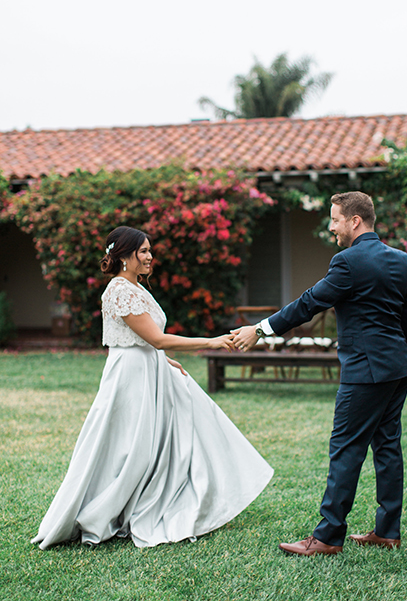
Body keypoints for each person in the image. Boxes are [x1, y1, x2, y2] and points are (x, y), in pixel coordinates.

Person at [32, 226, 273, 550]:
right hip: (130, 377)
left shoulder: (137, 288)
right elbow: (155, 338)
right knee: (127, 448)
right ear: (123, 255)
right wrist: (211, 340)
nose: (149, 257)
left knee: (176, 432)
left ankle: (181, 495)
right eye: (143, 251)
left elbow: (148, 344)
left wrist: (163, 361)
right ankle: (104, 510)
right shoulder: (119, 289)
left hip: (150, 368)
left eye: (149, 251)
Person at [232, 191, 407, 556]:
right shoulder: (400, 260)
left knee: (346, 448)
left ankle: (328, 537)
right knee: (387, 446)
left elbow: (308, 303)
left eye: (335, 219)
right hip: (397, 366)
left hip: (367, 369)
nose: (331, 227)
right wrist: (402, 358)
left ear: (355, 221)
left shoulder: (347, 262)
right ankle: (388, 531)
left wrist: (259, 330)